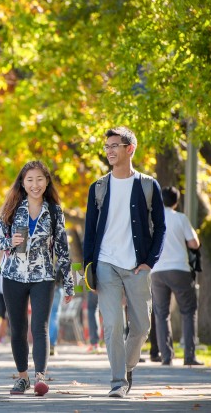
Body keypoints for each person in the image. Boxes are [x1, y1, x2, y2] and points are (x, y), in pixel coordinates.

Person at [83, 127, 166, 398]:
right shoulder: (98, 187)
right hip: (105, 263)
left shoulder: (147, 185)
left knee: (142, 327)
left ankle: (127, 367)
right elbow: (89, 232)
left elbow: (161, 227)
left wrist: (150, 262)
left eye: (115, 145)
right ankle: (118, 381)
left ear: (130, 148)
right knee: (113, 324)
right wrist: (89, 271)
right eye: (107, 146)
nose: (109, 150)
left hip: (137, 266)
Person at [0, 160, 74, 395]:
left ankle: (40, 378)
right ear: (23, 182)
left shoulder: (55, 211)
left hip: (44, 275)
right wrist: (10, 242)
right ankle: (22, 377)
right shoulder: (11, 207)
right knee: (18, 328)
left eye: (40, 179)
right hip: (13, 275)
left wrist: (70, 284)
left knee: (40, 326)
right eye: (30, 180)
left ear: (47, 181)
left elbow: (62, 248)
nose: (35, 184)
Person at [151, 186, 202, 366]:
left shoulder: (153, 219)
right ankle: (189, 356)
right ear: (176, 202)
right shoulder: (180, 218)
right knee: (188, 311)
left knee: (161, 313)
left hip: (156, 271)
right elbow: (194, 243)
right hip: (179, 269)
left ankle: (166, 356)